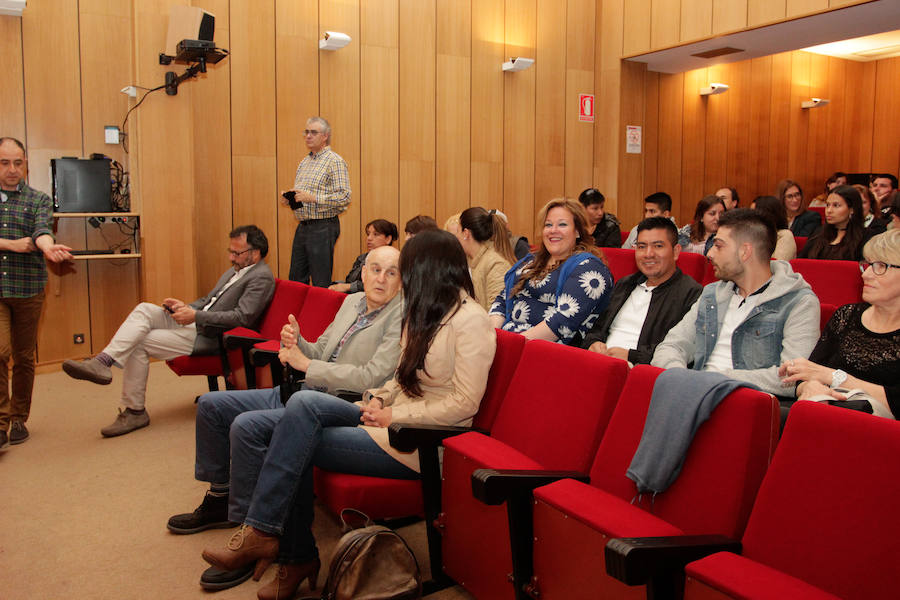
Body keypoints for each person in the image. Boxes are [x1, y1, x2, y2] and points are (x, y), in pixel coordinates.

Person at [196, 230, 496, 599]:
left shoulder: (472, 321)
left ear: (433, 271)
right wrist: (377, 400)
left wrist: (395, 415)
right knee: (301, 410)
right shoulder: (425, 313)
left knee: (292, 433)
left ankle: (281, 546)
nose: (403, 280)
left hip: (420, 442)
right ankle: (278, 544)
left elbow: (465, 403)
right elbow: (399, 379)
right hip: (386, 420)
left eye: (407, 270)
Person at [167, 245, 403, 590]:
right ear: (362, 272)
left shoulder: (399, 314)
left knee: (247, 427)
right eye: (375, 269)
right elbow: (322, 351)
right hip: (307, 391)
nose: (381, 278)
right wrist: (298, 345)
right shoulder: (351, 303)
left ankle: (253, 533)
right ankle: (221, 498)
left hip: (341, 403)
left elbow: (373, 377)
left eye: (391, 272)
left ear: (401, 280)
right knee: (212, 406)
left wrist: (308, 365)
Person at [62, 226, 276, 437]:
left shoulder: (261, 277)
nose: (231, 257)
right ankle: (103, 362)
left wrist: (195, 317)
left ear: (254, 253)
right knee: (144, 308)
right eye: (230, 251)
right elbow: (208, 301)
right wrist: (185, 307)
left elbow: (242, 318)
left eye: (236, 253)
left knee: (140, 342)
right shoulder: (235, 270)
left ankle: (134, 410)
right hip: (197, 323)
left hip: (213, 336)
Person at [652, 209, 820, 396]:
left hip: (746, 403)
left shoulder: (798, 302)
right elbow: (671, 346)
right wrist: (682, 377)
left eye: (718, 245)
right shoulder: (712, 294)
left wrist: (716, 379)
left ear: (745, 251)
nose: (709, 253)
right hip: (694, 393)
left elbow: (793, 376)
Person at [0, 137, 73, 449]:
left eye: (18, 162)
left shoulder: (38, 199)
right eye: (5, 163)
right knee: (0, 353)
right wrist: (10, 244)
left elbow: (41, 231)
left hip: (28, 288)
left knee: (24, 355)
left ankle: (19, 417)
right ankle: (1, 422)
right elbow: (19, 242)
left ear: (25, 164)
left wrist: (46, 247)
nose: (12, 169)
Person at [780, 230, 900, 419]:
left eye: (880, 266)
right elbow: (808, 375)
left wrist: (836, 378)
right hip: (830, 411)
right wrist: (810, 387)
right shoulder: (847, 315)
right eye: (867, 265)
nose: (866, 275)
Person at [489, 198, 613, 345]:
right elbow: (503, 300)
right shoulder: (531, 261)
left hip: (545, 350)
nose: (553, 230)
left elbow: (562, 322)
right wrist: (491, 337)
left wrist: (512, 344)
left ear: (578, 231)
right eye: (548, 225)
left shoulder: (590, 268)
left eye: (562, 224)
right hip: (506, 340)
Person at [582, 217, 701, 364]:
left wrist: (630, 356)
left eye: (658, 246)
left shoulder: (691, 294)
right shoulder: (625, 284)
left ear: (676, 252)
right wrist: (593, 343)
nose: (648, 254)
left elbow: (679, 350)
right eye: (641, 246)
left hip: (642, 372)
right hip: (601, 363)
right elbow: (596, 329)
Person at [282, 117, 351, 287]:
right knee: (296, 279)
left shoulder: (334, 161)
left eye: (313, 132)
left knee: (320, 281)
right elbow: (303, 197)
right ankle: (297, 314)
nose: (308, 136)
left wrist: (312, 198)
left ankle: (322, 314)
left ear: (325, 136)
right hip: (303, 225)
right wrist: (291, 199)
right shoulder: (304, 163)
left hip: (323, 226)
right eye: (306, 132)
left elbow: (344, 196)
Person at [450, 207, 515, 310]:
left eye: (457, 231)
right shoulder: (465, 259)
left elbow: (496, 311)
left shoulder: (496, 264)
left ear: (466, 233)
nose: (455, 237)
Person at [799, 185, 867, 262]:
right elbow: (801, 261)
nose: (829, 210)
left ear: (852, 209)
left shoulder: (864, 237)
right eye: (827, 205)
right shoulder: (818, 233)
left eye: (836, 205)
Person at [328, 219, 398, 293]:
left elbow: (381, 285)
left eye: (375, 234)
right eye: (368, 234)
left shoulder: (392, 261)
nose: (369, 238)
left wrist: (349, 287)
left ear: (388, 239)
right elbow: (350, 280)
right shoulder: (362, 258)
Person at [751, 195, 796, 260]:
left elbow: (776, 264)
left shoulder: (785, 235)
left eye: (753, 214)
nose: (749, 219)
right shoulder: (752, 235)